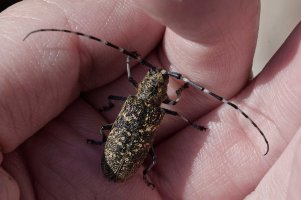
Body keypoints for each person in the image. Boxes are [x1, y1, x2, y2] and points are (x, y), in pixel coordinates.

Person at [0, 1, 300, 199]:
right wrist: (189, 116)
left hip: (114, 157)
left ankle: (125, 159)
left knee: (127, 135)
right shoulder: (159, 111)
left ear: (140, 84)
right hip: (119, 161)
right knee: (150, 153)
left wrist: (129, 63)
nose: (156, 77)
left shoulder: (130, 97)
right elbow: (179, 110)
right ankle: (143, 171)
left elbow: (128, 82)